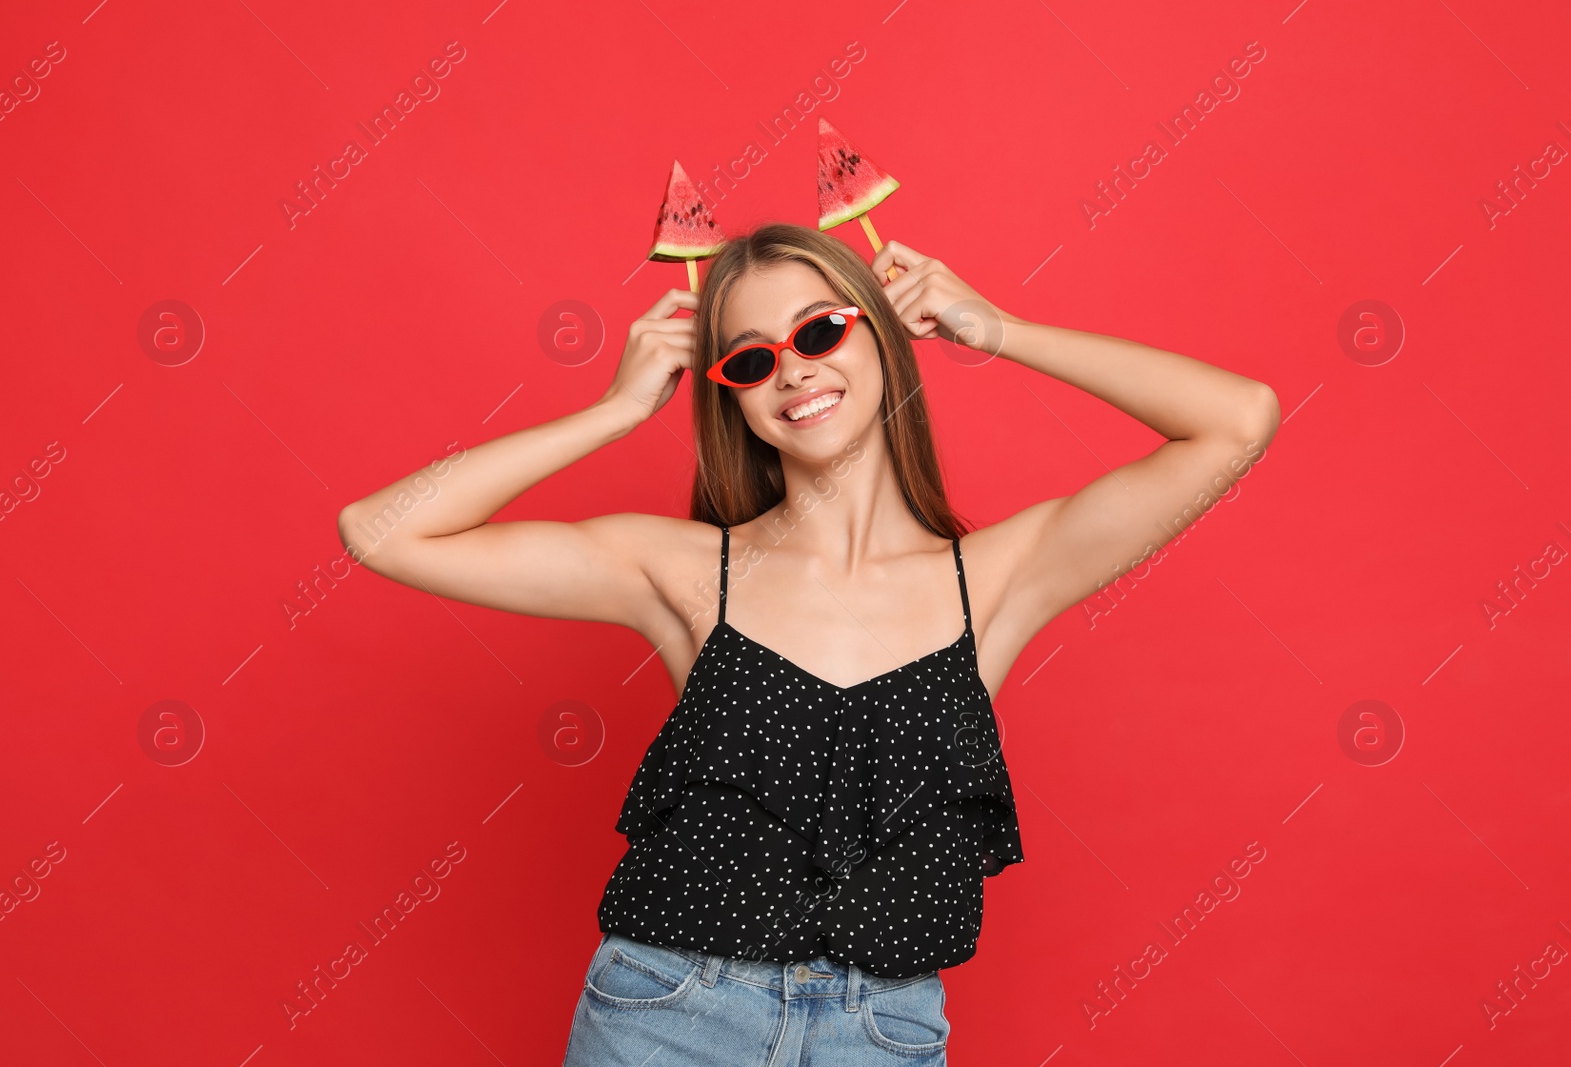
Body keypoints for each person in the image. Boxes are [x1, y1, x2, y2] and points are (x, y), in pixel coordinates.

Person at [337, 222, 1280, 1064]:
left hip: (885, 1032)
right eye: (748, 360)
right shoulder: (684, 569)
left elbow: (1239, 420)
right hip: (666, 1015)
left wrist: (998, 329)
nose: (793, 370)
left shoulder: (995, 579)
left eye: (820, 330)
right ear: (730, 397)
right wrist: (616, 410)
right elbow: (382, 530)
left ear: (880, 331)